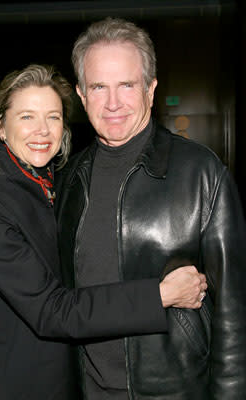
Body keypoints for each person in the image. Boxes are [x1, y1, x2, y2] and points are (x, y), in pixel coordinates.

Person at [0, 63, 207, 400]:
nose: (42, 130)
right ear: (0, 126)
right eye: (27, 117)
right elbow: (52, 311)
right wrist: (159, 295)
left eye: (53, 117)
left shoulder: (49, 181)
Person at [55, 17, 246, 400]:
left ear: (151, 89)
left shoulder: (201, 173)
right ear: (80, 94)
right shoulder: (67, 178)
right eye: (98, 87)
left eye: (126, 84)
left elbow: (234, 317)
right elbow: (49, 296)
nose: (112, 103)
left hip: (176, 391)